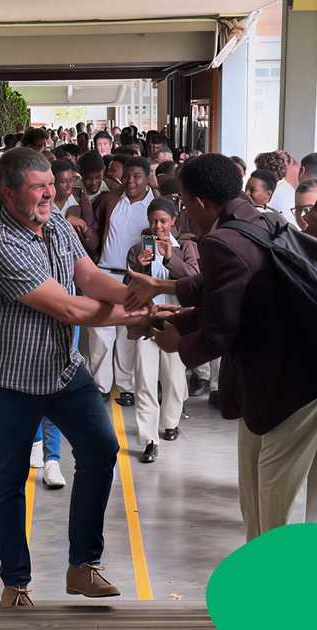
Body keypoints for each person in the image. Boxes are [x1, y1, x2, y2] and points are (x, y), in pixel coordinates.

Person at [0, 147, 145, 607]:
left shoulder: (56, 229)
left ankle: (82, 566)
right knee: (8, 480)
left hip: (60, 367)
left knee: (101, 448)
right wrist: (135, 314)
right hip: (9, 379)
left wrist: (135, 294)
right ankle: (16, 583)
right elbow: (69, 307)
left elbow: (89, 279)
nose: (51, 192)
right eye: (38, 186)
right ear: (9, 193)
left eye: (50, 183)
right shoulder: (1, 245)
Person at [126, 153, 317, 540]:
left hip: (293, 387)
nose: (181, 212)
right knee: (256, 498)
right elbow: (222, 283)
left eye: (182, 202)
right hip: (272, 380)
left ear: (199, 202)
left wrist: (176, 342)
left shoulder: (222, 240)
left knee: (271, 507)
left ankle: (277, 595)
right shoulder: (260, 218)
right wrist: (164, 288)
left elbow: (219, 332)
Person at [123, 197, 199, 463]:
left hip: (176, 323)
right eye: (153, 221)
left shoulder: (187, 247)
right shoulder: (136, 250)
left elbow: (193, 278)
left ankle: (170, 422)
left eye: (163, 221)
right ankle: (148, 439)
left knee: (175, 380)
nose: (158, 226)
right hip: (147, 322)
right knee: (144, 381)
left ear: (173, 222)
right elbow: (127, 288)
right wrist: (142, 265)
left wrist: (170, 258)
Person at [88, 156, 154, 405]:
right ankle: (101, 385)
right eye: (126, 175)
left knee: (128, 333)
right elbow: (95, 229)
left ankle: (126, 386)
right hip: (105, 272)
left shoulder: (154, 203)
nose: (130, 181)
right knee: (100, 332)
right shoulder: (112, 199)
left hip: (134, 277)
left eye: (136, 176)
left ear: (147, 177)